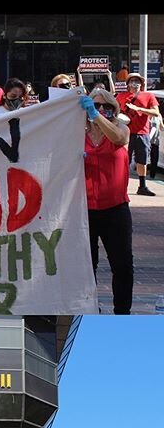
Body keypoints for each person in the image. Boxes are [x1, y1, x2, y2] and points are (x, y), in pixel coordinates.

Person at [79, 89, 133, 314]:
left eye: (107, 107)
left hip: (115, 211)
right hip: (85, 211)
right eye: (96, 105)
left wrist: (96, 115)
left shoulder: (120, 128)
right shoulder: (76, 134)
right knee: (86, 267)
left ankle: (122, 314)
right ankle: (91, 311)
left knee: (122, 266)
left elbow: (119, 139)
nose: (102, 110)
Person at [116, 72, 160, 196]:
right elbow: (114, 111)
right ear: (128, 84)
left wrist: (139, 109)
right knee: (123, 160)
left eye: (138, 81)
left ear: (142, 84)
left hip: (142, 132)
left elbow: (155, 113)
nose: (135, 83)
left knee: (142, 160)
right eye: (132, 81)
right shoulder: (121, 96)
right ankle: (120, 186)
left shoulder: (148, 95)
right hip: (125, 133)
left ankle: (142, 186)